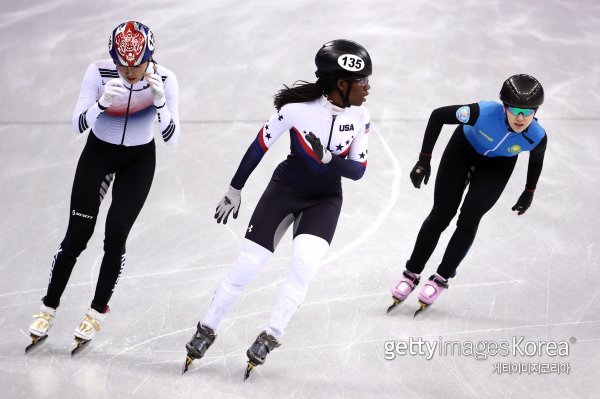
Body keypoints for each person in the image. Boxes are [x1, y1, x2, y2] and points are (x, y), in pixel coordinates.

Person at [182, 39, 372, 378]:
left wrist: (330, 160)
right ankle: (206, 328)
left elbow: (357, 171)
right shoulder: (297, 111)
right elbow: (260, 145)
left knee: (304, 267)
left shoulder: (361, 117)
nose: (368, 88)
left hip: (325, 200)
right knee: (248, 265)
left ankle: (271, 335)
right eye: (362, 81)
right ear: (340, 83)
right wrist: (234, 189)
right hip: (285, 191)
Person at [26, 21, 180, 353]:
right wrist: (99, 105)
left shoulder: (165, 79)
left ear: (149, 57)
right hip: (98, 153)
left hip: (139, 161)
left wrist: (160, 103)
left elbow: (172, 139)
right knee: (77, 233)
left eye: (137, 64)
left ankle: (96, 311)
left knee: (116, 233)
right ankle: (48, 307)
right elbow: (77, 124)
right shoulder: (98, 73)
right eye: (123, 65)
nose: (130, 71)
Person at [388, 74, 547, 316]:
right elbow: (438, 115)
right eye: (515, 109)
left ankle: (440, 278)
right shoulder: (480, 113)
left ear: (536, 111)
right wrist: (424, 160)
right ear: (504, 106)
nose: (521, 117)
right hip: (462, 151)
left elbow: (536, 161)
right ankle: (411, 273)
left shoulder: (536, 136)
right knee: (442, 213)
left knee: (470, 218)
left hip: (498, 166)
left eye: (529, 111)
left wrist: (529, 192)